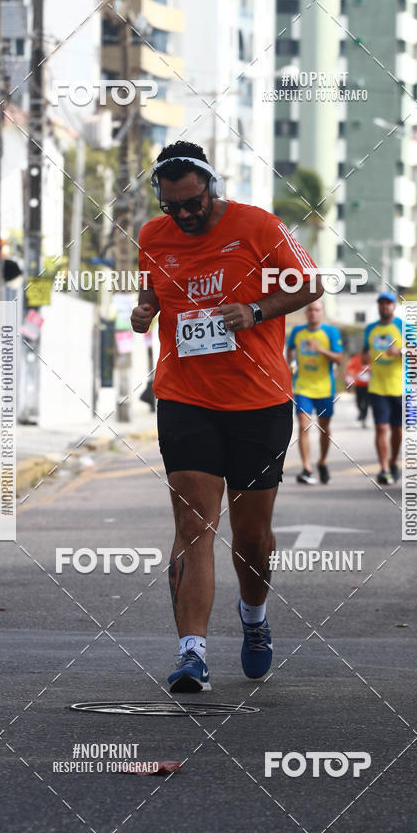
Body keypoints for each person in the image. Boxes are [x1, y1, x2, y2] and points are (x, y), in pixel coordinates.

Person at [131, 141, 323, 692]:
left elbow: (311, 282)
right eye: (174, 207)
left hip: (258, 401)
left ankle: (254, 617)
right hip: (185, 396)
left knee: (252, 537)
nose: (185, 215)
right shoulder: (151, 236)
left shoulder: (259, 225)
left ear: (210, 187)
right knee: (194, 525)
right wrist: (145, 312)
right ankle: (192, 655)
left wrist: (257, 310)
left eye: (193, 202)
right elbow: (153, 295)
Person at [287, 301, 344, 484]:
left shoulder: (330, 332)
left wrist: (320, 349)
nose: (313, 313)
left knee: (324, 428)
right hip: (302, 387)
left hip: (324, 388)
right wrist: (290, 366)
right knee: (303, 425)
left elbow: (339, 358)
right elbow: (290, 348)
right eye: (310, 309)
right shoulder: (297, 332)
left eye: (317, 310)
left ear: (322, 313)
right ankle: (307, 468)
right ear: (306, 313)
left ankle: (322, 461)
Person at [362, 292, 403, 486]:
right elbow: (364, 349)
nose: (385, 307)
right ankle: (384, 468)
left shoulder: (404, 327)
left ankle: (394, 462)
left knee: (397, 430)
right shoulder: (370, 328)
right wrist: (363, 358)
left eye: (388, 304)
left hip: (400, 387)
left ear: (394, 306)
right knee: (381, 427)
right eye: (382, 304)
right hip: (377, 386)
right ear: (378, 307)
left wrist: (400, 352)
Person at [344, 353, 370, 426]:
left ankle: (364, 417)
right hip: (359, 384)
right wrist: (354, 374)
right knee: (358, 401)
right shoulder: (356, 359)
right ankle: (361, 412)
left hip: (369, 386)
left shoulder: (373, 359)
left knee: (367, 403)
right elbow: (349, 369)